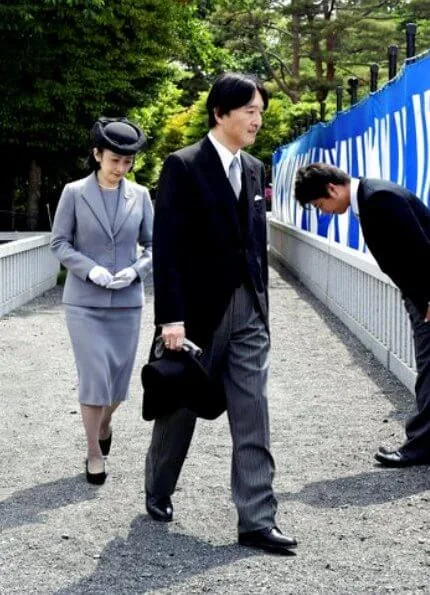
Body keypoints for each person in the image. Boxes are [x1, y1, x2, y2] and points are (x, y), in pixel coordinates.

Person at [144, 72, 297, 555]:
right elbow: (167, 249)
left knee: (254, 410)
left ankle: (257, 519)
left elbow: (254, 245)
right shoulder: (183, 166)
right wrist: (171, 319)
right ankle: (158, 488)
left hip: (248, 311)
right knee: (180, 409)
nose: (257, 119)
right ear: (220, 113)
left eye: (260, 112)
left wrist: (263, 309)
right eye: (249, 110)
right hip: (196, 316)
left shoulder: (254, 168)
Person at [294, 162, 430, 468]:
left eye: (320, 204)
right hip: (420, 296)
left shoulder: (379, 198)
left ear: (332, 188)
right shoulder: (371, 196)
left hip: (426, 297)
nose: (324, 211)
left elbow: (423, 248)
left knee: (429, 368)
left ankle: (421, 446)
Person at [51, 117, 153, 485]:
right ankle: (94, 452)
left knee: (118, 385)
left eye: (128, 162)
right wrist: (89, 269)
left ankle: (105, 423)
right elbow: (59, 242)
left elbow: (154, 245)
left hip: (126, 304)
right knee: (94, 378)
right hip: (85, 304)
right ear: (97, 154)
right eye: (114, 160)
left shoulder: (140, 196)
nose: (121, 169)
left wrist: (137, 269)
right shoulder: (74, 193)